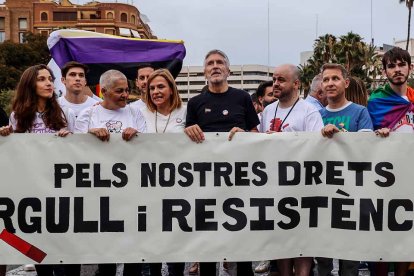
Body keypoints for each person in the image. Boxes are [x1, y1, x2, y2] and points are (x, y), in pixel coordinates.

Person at [185, 49, 259, 276]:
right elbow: (186, 140)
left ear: (228, 70)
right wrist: (188, 130)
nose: (215, 66)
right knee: (208, 239)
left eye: (220, 62)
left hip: (239, 181)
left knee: (241, 238)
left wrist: (245, 133)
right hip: (206, 181)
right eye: (210, 63)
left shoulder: (243, 98)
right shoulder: (195, 102)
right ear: (204, 71)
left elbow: (257, 134)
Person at [0, 64, 75, 276]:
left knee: (62, 246)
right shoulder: (17, 115)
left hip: (61, 188)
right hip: (33, 190)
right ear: (30, 85)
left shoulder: (64, 111)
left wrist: (70, 138)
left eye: (50, 78)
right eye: (42, 79)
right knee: (42, 249)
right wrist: (7, 136)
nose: (49, 83)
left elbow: (79, 148)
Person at [260, 64, 323, 276]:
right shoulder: (268, 110)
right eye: (274, 79)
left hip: (302, 186)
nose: (275, 84)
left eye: (281, 80)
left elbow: (317, 147)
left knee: (303, 237)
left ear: (296, 84)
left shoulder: (309, 111)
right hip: (274, 186)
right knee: (280, 237)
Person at [318, 63, 373, 276]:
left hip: (352, 193)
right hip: (322, 194)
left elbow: (366, 148)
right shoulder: (316, 115)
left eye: (335, 78)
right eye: (326, 79)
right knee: (322, 257)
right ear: (321, 85)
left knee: (349, 257)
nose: (330, 83)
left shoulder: (360, 112)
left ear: (346, 83)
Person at [367, 47, 414, 276]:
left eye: (401, 64)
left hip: (411, 175)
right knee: (383, 230)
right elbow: (368, 137)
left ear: (409, 67)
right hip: (386, 176)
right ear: (385, 71)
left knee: (407, 230)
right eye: (391, 66)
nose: (397, 70)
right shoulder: (376, 101)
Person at [135, 68, 186, 276]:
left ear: (172, 89)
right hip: (146, 185)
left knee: (176, 237)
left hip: (178, 186)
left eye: (161, 87)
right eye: (152, 88)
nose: (155, 91)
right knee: (151, 237)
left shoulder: (186, 111)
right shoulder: (136, 111)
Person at [75, 69, 145, 142]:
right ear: (104, 91)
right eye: (119, 91)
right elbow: (77, 146)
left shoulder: (135, 113)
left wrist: (137, 135)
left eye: (127, 90)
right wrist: (89, 134)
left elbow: (146, 144)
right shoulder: (87, 115)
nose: (125, 95)